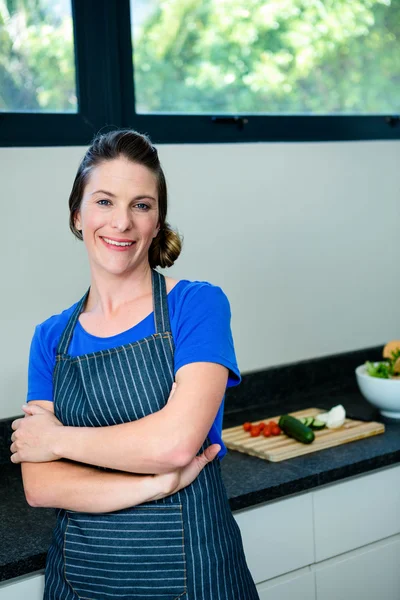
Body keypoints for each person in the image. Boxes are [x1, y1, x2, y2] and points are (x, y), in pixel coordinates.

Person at [10, 129, 260, 600]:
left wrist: (56, 439)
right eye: (104, 201)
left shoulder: (196, 305)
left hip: (197, 577)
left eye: (141, 205)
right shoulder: (50, 339)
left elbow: (174, 444)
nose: (121, 223)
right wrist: (155, 485)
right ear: (77, 215)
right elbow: (41, 485)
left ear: (157, 219)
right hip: (79, 580)